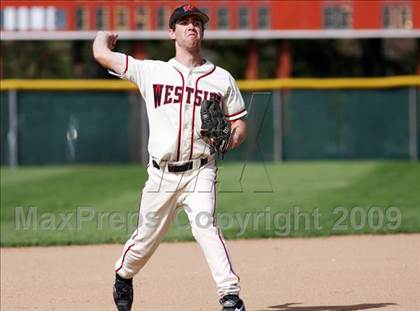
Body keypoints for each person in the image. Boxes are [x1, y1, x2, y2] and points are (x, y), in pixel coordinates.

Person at [93, 4, 247, 311]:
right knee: (145, 241)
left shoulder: (221, 79)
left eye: (197, 22)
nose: (192, 27)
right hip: (161, 175)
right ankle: (124, 275)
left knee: (206, 226)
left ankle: (230, 295)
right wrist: (102, 38)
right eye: (185, 22)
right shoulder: (153, 71)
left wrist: (230, 140)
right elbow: (102, 55)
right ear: (171, 32)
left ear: (203, 31)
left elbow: (239, 124)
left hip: (200, 171)